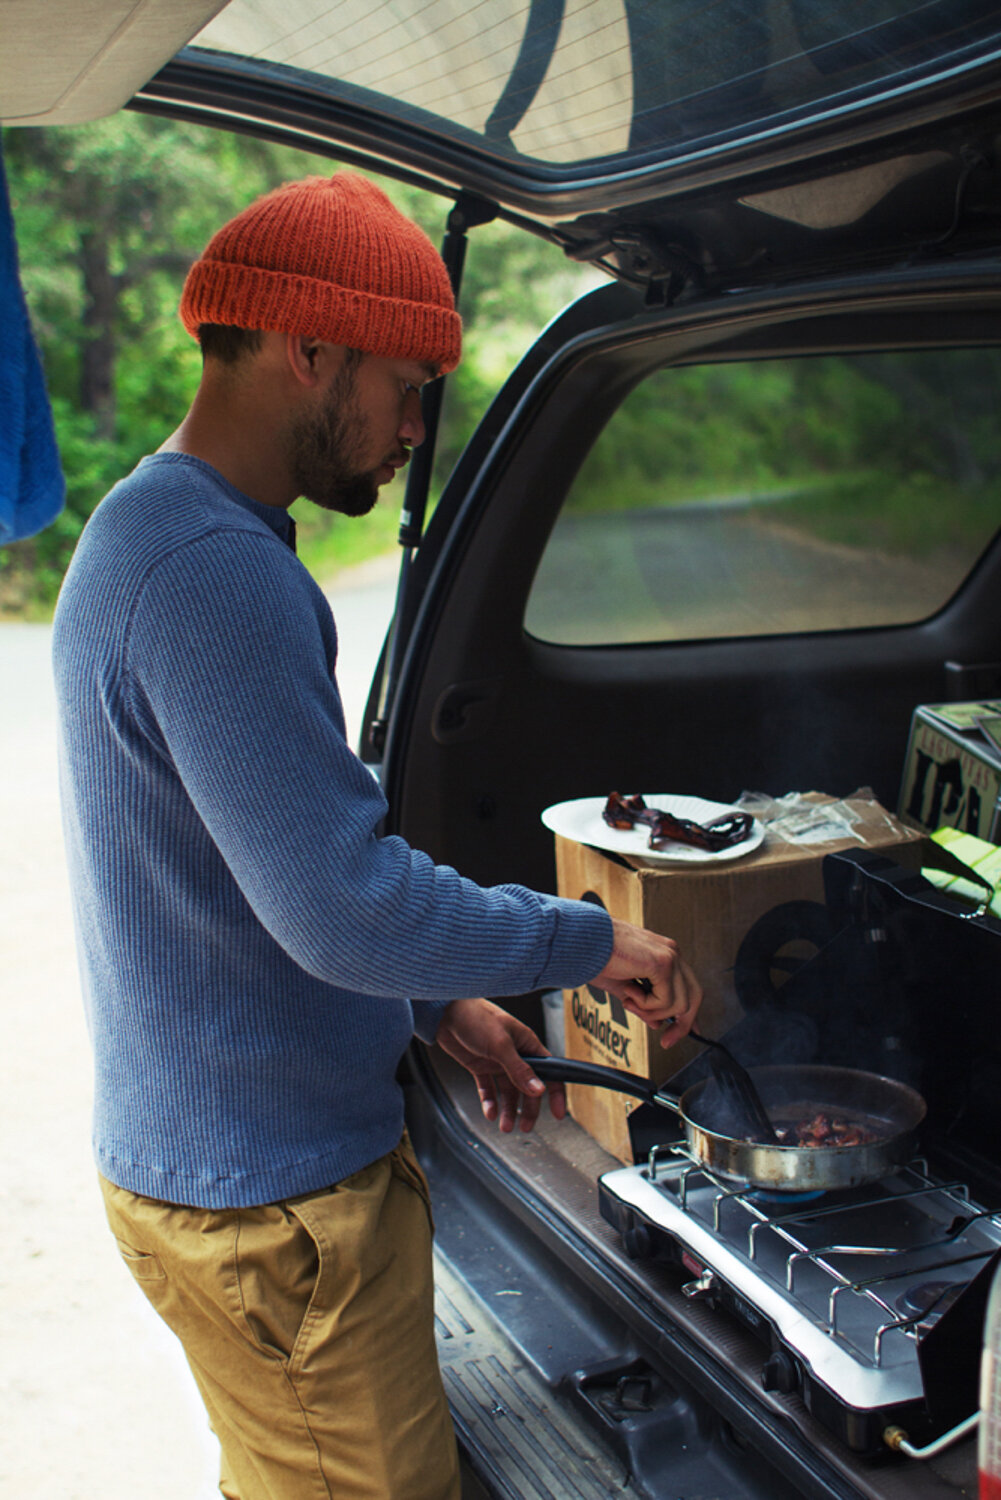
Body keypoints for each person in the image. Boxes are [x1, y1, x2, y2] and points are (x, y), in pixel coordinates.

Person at [52, 173, 702, 1500]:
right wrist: (587, 938)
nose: (415, 427)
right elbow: (341, 903)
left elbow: (243, 881)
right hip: (273, 1212)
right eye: (408, 387)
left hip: (240, 1179)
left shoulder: (161, 530)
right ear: (310, 353)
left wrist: (435, 1007)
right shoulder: (215, 574)